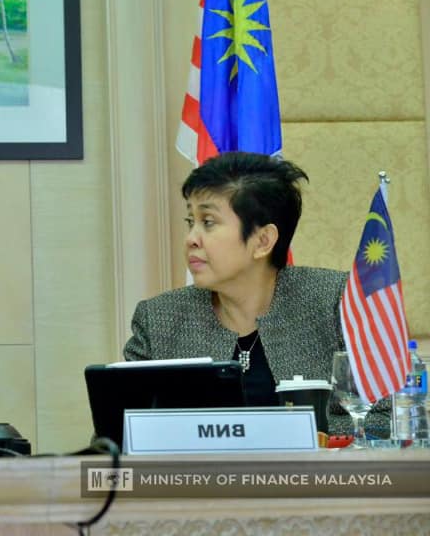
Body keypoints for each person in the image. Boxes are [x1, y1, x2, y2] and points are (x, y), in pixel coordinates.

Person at [123, 152, 389, 437]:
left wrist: (269, 434)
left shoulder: (338, 301)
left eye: (208, 222)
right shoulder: (159, 320)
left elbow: (386, 419)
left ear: (263, 241)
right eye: (191, 222)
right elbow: (117, 436)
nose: (191, 239)